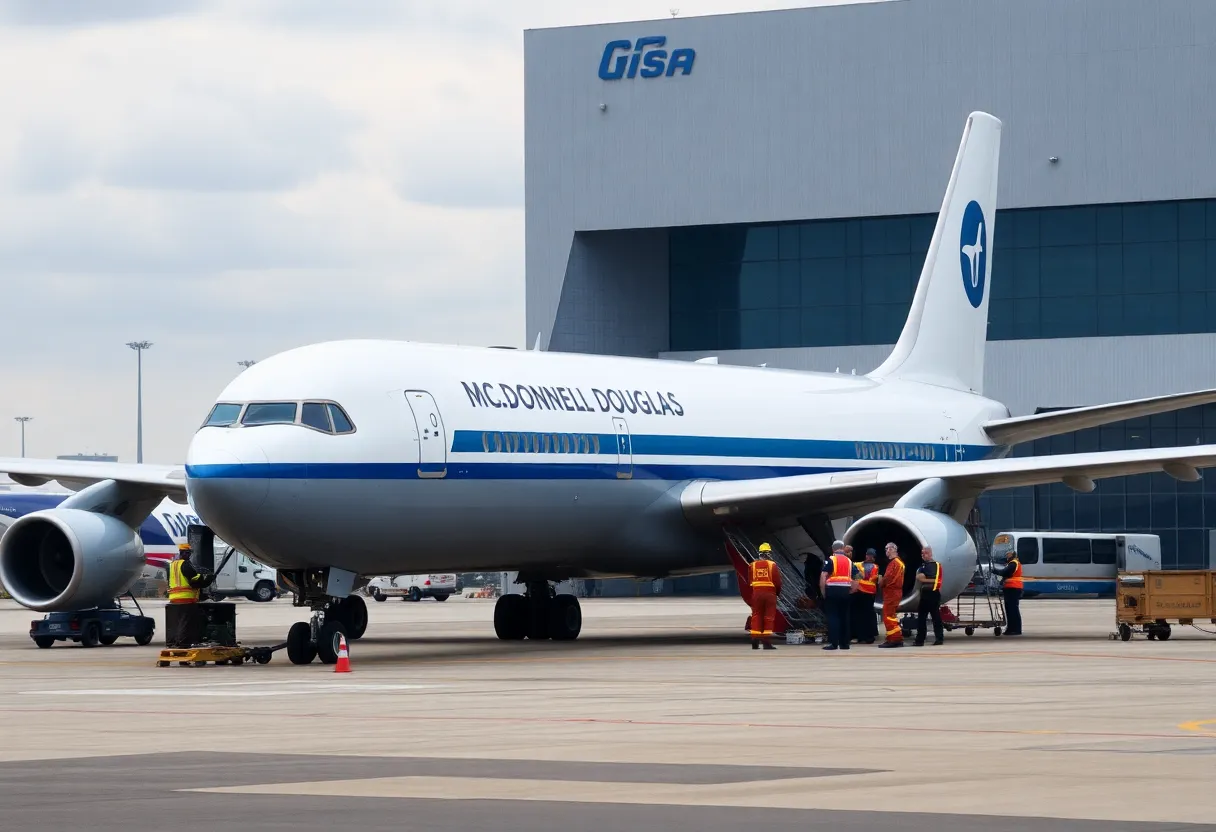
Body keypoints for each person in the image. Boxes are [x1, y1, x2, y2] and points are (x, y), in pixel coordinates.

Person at [167, 543, 215, 648]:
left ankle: (172, 643)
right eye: (187, 553)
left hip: (174, 599)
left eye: (189, 553)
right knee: (187, 624)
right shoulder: (185, 564)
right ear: (183, 553)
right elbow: (194, 581)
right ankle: (184, 644)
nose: (189, 555)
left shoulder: (172, 565)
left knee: (176, 624)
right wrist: (207, 580)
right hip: (186, 599)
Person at [819, 541, 859, 650]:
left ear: (833, 549)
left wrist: (823, 592)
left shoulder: (831, 560)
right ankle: (844, 644)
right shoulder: (849, 561)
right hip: (846, 592)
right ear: (843, 548)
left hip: (832, 591)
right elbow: (858, 576)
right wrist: (853, 589)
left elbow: (823, 576)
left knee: (833, 617)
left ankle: (833, 643)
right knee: (845, 617)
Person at [748, 543, 783, 650]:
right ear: (769, 553)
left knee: (756, 616)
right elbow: (777, 582)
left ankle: (755, 639)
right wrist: (777, 593)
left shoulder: (752, 565)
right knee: (768, 617)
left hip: (757, 593)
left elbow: (750, 581)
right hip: (770, 594)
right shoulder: (772, 565)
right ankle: (766, 642)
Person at [914, 546, 944, 646]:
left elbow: (933, 580)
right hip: (924, 594)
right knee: (921, 618)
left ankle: (939, 638)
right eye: (922, 553)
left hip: (933, 593)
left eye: (926, 553)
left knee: (936, 617)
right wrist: (925, 577)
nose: (923, 555)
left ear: (931, 554)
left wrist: (925, 578)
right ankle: (919, 640)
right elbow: (919, 577)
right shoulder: (923, 566)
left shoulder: (936, 565)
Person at [878, 542, 906, 648]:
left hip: (891, 592)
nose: (886, 551)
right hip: (895, 592)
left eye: (887, 549)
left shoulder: (894, 563)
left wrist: (880, 582)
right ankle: (894, 637)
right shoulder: (899, 563)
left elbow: (887, 578)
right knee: (891, 616)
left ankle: (894, 639)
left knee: (888, 616)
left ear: (892, 549)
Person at [992, 548, 1023, 636]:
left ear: (1012, 554)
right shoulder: (1012, 563)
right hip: (1011, 588)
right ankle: (1011, 629)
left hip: (1013, 588)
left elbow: (1005, 572)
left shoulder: (1013, 563)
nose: (1006, 556)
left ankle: (1015, 629)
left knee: (1012, 609)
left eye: (1008, 554)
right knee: (1010, 609)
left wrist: (994, 571)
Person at [851, 549, 880, 643]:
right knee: (862, 615)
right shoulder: (858, 564)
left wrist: (859, 579)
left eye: (871, 555)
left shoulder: (874, 567)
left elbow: (870, 578)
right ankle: (863, 636)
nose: (870, 557)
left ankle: (867, 636)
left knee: (866, 615)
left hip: (867, 592)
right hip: (861, 592)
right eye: (869, 555)